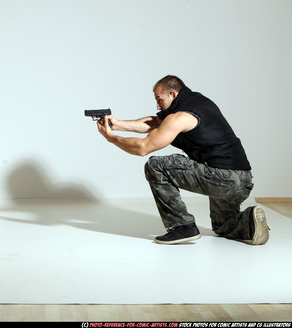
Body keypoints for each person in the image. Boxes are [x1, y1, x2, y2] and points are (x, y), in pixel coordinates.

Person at [95, 75, 269, 245]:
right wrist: (118, 124)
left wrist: (111, 138)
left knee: (156, 166)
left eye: (159, 99)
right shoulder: (199, 102)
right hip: (243, 180)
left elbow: (142, 148)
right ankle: (250, 220)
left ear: (173, 94)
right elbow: (156, 122)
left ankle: (182, 227)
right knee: (222, 225)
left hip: (223, 179)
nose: (157, 105)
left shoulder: (179, 118)